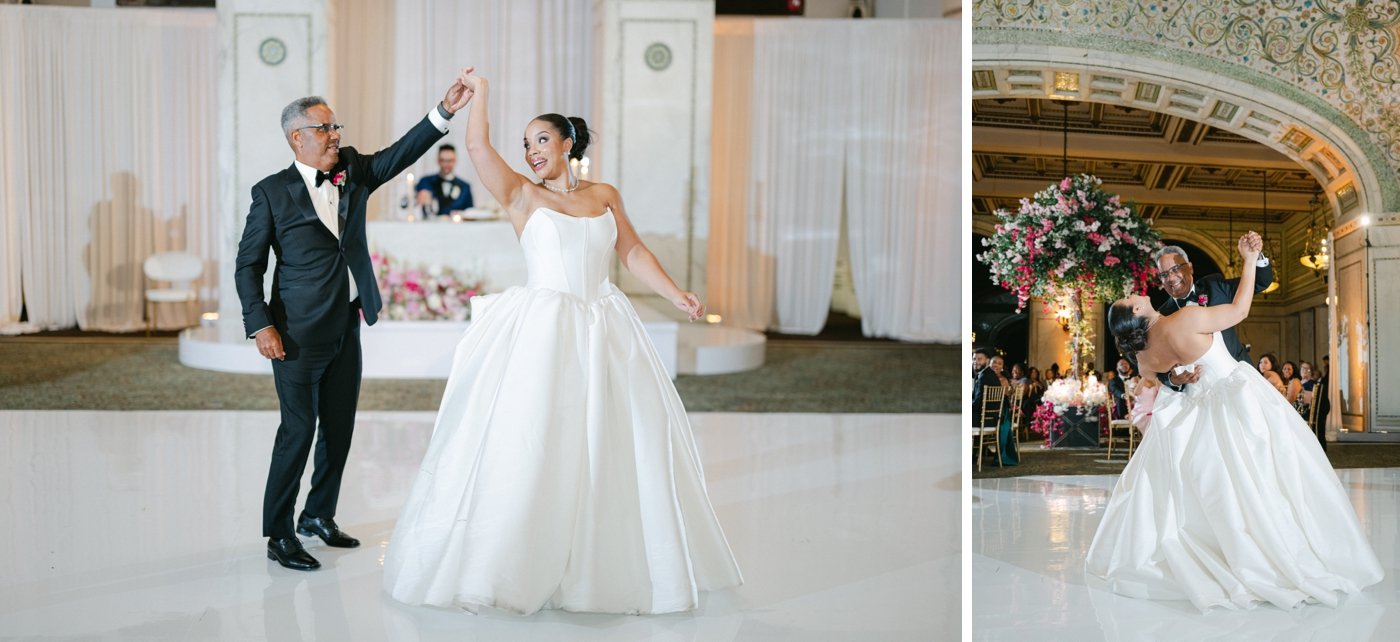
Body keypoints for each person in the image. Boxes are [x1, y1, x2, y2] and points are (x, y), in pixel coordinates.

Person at [382, 70, 742, 615]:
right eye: (525, 145)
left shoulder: (604, 195)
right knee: (535, 438)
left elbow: (633, 252)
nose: (531, 152)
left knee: (609, 441)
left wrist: (675, 293)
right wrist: (481, 94)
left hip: (603, 326)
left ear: (568, 143)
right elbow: (477, 145)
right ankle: (515, 563)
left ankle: (600, 563)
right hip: (544, 330)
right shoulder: (522, 196)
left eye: (541, 140)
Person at [236, 73, 475, 571]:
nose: (335, 135)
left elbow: (399, 154)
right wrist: (261, 325)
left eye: (335, 126)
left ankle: (318, 515)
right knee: (297, 432)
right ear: (297, 138)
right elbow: (248, 266)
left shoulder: (351, 169)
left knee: (339, 428)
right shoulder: (271, 193)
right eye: (325, 128)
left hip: (346, 323)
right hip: (295, 335)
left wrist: (443, 112)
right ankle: (279, 534)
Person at [1087, 231, 1382, 611]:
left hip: (1200, 407)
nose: (1153, 286)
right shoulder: (1184, 317)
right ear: (1138, 311)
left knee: (1214, 482)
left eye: (1176, 270)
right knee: (1268, 468)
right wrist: (1244, 257)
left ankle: (1226, 549)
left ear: (1188, 269)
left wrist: (1256, 260)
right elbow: (1240, 310)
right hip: (1235, 392)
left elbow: (1156, 370)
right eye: (1135, 297)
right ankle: (1281, 550)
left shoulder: (1143, 351)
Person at [1153, 244, 1274, 392]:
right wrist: (1173, 380)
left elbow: (1260, 282)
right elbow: (1158, 364)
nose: (1171, 278)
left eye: (1175, 269)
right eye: (1164, 274)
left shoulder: (1215, 286)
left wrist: (1255, 255)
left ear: (1190, 267)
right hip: (1197, 393)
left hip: (1239, 379)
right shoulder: (1162, 316)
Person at [415, 143, 474, 216]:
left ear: (455, 161)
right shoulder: (426, 181)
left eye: (450, 160)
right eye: (443, 160)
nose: (446, 164)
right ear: (438, 161)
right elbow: (412, 202)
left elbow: (470, 213)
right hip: (430, 225)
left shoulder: (465, 187)